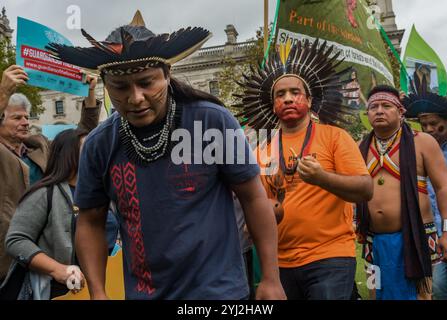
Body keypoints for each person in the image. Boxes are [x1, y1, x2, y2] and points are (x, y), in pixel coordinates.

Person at [49, 11, 285, 300]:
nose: (135, 98)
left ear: (167, 75)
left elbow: (253, 196)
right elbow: (90, 220)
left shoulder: (212, 121)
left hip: (218, 293)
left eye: (147, 83)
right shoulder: (100, 143)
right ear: (105, 85)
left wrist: (271, 277)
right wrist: (98, 293)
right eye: (121, 87)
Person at [235, 39, 373, 300]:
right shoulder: (260, 151)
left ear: (309, 100)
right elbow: (258, 205)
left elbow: (365, 190)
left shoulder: (335, 137)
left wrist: (322, 178)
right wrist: (268, 212)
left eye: (295, 92)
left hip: (330, 255)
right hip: (280, 263)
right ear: (272, 103)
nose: (287, 98)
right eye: (280, 94)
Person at [0, 67, 101, 282]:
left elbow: (78, 138)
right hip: (9, 251)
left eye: (27, 117)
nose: (26, 122)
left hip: (51, 251)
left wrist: (90, 93)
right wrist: (3, 92)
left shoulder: (40, 147)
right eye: (17, 117)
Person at [356, 85, 447, 300]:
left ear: (400, 111)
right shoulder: (359, 146)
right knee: (375, 292)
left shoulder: (423, 142)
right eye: (373, 107)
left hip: (417, 239)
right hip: (374, 242)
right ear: (367, 113)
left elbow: (444, 188)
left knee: (422, 295)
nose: (379, 110)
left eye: (386, 105)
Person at [3, 129, 88, 300]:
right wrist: (59, 270)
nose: (96, 151)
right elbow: (15, 240)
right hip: (58, 291)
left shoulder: (100, 191)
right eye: (88, 148)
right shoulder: (44, 193)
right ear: (68, 154)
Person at [403, 77, 447, 300]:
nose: (429, 129)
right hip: (432, 234)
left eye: (434, 123)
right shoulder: (417, 150)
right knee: (438, 288)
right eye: (423, 125)